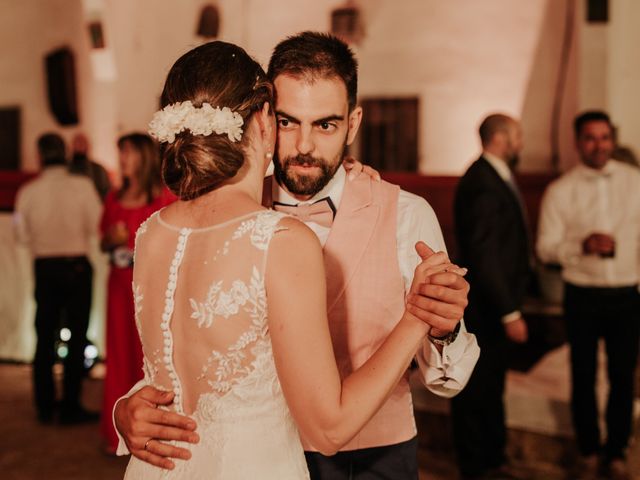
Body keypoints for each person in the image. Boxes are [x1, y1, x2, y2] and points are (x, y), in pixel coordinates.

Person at [115, 32, 479, 479]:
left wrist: (443, 328)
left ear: (353, 123)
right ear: (265, 118)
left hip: (370, 461)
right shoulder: (221, 218)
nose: (305, 146)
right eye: (290, 122)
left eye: (325, 124)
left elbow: (449, 379)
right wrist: (126, 410)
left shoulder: (406, 214)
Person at [536, 111, 640, 480]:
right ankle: (588, 449)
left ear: (613, 139)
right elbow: (546, 249)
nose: (599, 145)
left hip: (627, 293)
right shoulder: (561, 191)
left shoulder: (636, 183)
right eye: (591, 138)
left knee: (623, 376)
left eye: (605, 137)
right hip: (582, 294)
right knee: (582, 376)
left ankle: (616, 452)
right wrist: (580, 245)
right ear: (578, 142)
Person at [451, 114, 532, 480]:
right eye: (518, 136)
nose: (521, 143)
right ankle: (477, 464)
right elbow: (485, 253)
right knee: (477, 388)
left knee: (491, 384)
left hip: (490, 306)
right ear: (501, 138)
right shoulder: (482, 181)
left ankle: (491, 458)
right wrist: (509, 311)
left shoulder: (493, 176)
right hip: (484, 308)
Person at [13, 133, 102, 424]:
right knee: (76, 338)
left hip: (46, 268)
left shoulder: (28, 192)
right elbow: (96, 226)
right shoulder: (83, 186)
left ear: (39, 155)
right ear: (64, 153)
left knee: (44, 337)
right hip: (76, 266)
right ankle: (70, 407)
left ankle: (44, 406)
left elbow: (21, 235)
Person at [100, 133, 175, 453]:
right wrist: (111, 240)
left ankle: (155, 426)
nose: (122, 161)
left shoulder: (163, 197)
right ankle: (116, 430)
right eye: (121, 155)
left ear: (143, 158)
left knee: (150, 356)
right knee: (118, 355)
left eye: (128, 154)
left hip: (149, 287)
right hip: (118, 286)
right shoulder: (114, 197)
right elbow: (102, 240)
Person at [69, 132, 112, 201]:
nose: (79, 145)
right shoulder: (64, 169)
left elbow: (107, 194)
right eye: (77, 142)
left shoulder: (99, 170)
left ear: (88, 146)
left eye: (82, 142)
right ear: (71, 146)